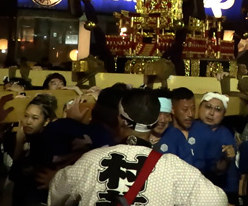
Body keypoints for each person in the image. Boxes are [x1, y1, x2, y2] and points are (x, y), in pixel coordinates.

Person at [48, 89, 227, 205]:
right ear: (155, 122)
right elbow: (216, 200)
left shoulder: (92, 160)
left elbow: (56, 192)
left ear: (120, 119)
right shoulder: (173, 168)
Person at [6, 94, 58, 206]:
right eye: (26, 116)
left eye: (35, 118)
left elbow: (18, 174)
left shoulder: (46, 141)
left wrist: (19, 144)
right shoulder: (17, 137)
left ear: (46, 121)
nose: (28, 121)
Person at [197, 92, 238, 205]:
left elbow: (219, 169)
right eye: (208, 107)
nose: (211, 113)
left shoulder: (225, 135)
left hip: (223, 191)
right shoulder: (190, 129)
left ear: (223, 114)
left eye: (217, 109)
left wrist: (226, 159)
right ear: (199, 108)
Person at [157, 86, 212, 170]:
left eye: (193, 109)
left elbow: (215, 167)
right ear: (173, 109)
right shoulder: (162, 131)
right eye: (185, 109)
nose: (190, 114)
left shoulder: (203, 131)